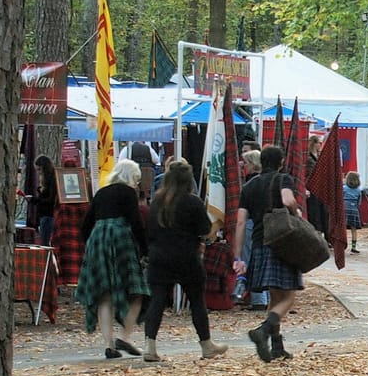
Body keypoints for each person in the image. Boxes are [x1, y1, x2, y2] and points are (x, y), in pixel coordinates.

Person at [138, 158, 229, 362]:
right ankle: (206, 345)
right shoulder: (192, 201)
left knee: (157, 301)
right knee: (197, 301)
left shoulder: (157, 203)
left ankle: (149, 345)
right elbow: (205, 229)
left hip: (159, 257)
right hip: (187, 257)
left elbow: (149, 231)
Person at [234, 144, 303, 362]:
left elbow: (240, 222)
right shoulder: (283, 179)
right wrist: (296, 213)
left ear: (261, 162)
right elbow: (288, 200)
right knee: (289, 296)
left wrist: (238, 257)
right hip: (282, 242)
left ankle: (276, 346)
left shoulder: (249, 186)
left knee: (275, 296)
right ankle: (263, 331)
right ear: (281, 162)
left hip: (259, 243)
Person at [77, 159, 150, 360]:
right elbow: (136, 222)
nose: (137, 184)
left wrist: (90, 246)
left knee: (105, 296)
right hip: (120, 239)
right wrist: (145, 250)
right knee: (137, 292)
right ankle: (124, 336)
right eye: (136, 180)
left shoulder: (101, 193)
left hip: (98, 240)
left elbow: (85, 225)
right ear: (131, 178)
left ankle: (109, 345)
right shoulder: (128, 193)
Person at [32, 154, 58, 246]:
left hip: (48, 215)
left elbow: (50, 200)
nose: (38, 173)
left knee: (45, 243)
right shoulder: (47, 180)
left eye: (39, 170)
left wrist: (37, 200)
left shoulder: (52, 180)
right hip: (44, 215)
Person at [343, 171, 364, 253]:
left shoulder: (344, 188)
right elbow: (359, 202)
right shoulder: (358, 190)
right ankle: (354, 247)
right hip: (354, 209)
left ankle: (342, 245)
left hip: (344, 208)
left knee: (343, 228)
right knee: (354, 229)